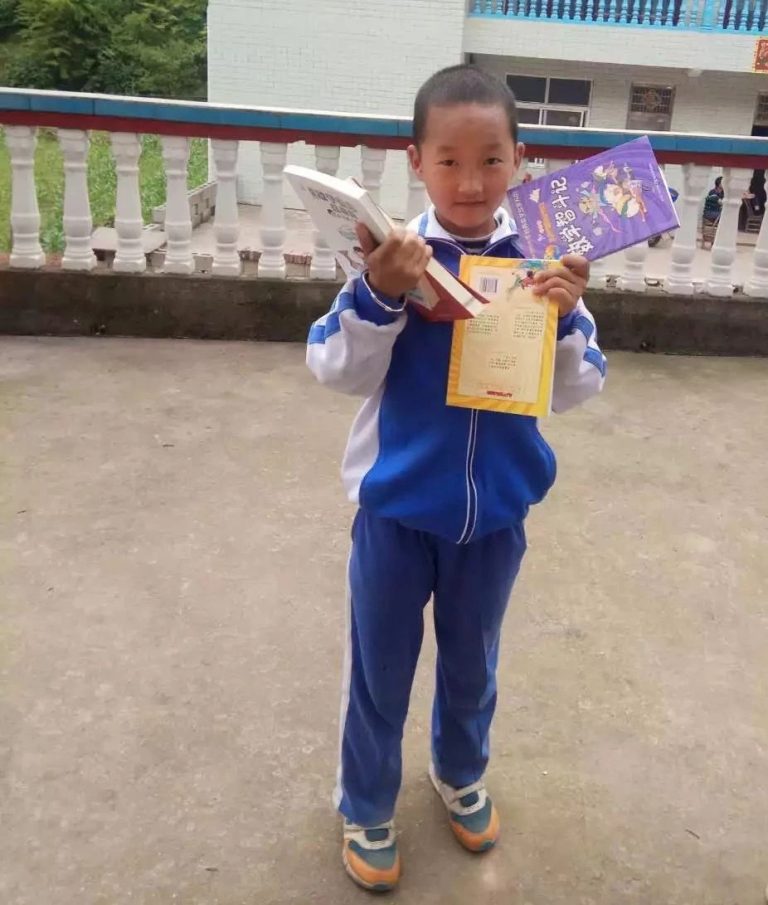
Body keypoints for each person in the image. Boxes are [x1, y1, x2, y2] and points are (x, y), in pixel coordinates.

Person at [306, 65, 606, 892]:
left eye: (490, 160)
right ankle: (366, 802)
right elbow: (333, 367)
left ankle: (459, 772)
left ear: (521, 159)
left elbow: (579, 388)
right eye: (448, 161)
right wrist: (380, 295)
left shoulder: (545, 265)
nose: (470, 182)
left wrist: (565, 318)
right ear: (416, 161)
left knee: (473, 662)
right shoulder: (391, 256)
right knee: (379, 670)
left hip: (495, 518)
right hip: (396, 515)